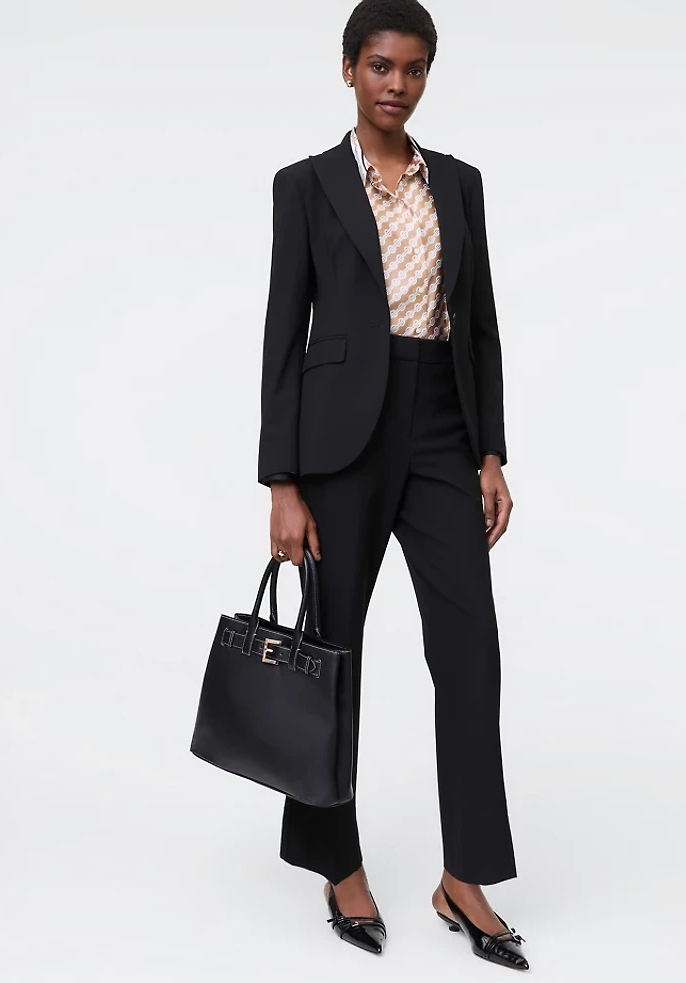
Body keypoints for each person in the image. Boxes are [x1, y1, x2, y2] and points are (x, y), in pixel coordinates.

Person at [256, 0, 526, 970]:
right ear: (348, 69)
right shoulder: (305, 185)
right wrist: (281, 481)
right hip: (340, 442)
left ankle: (465, 875)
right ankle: (338, 862)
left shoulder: (459, 182)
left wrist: (490, 453)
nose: (396, 85)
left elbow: (480, 322)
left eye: (412, 69)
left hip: (443, 428)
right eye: (379, 66)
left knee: (470, 652)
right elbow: (282, 332)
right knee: (332, 651)